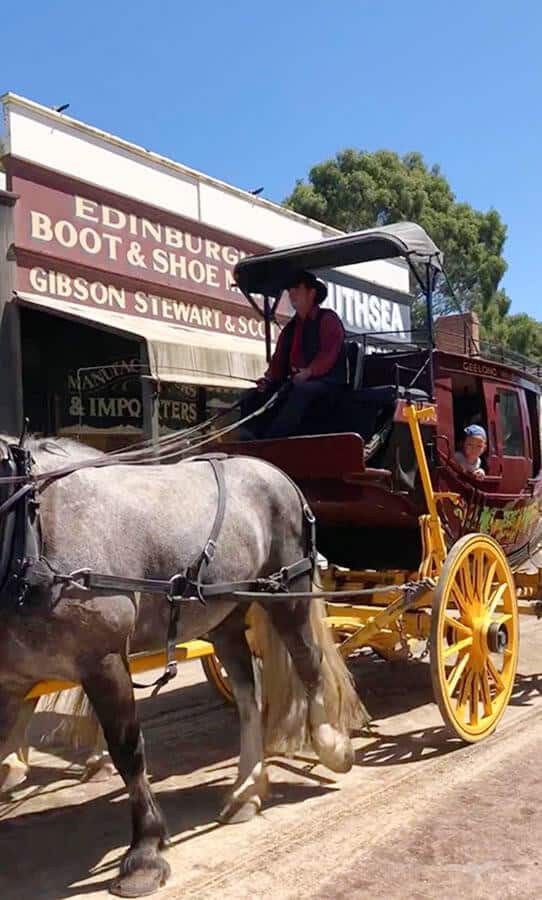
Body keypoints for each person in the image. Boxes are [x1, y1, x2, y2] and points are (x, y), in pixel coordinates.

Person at [239, 270, 347, 439]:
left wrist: (309, 372)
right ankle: (248, 438)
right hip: (297, 383)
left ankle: (274, 440)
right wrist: (268, 380)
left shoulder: (328, 319)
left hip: (328, 385)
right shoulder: (289, 329)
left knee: (301, 390)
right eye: (289, 290)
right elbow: (279, 360)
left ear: (312, 293)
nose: (291, 293)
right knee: (251, 395)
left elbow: (328, 354)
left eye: (297, 288)